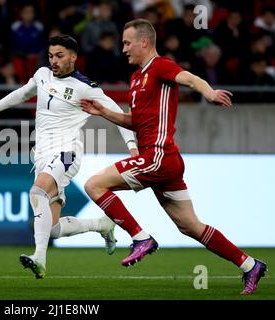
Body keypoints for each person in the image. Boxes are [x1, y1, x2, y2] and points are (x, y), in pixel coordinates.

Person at [80, 19, 267, 295]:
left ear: (144, 42)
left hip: (159, 156)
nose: (123, 49)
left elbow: (191, 78)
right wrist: (103, 113)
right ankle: (249, 265)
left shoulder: (161, 66)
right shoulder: (135, 79)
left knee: (93, 185)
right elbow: (136, 122)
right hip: (162, 161)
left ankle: (140, 238)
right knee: (190, 226)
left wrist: (209, 93)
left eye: (127, 43)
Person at [0, 35, 139, 279]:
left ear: (73, 57)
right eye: (50, 56)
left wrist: (132, 147)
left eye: (59, 56)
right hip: (42, 155)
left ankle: (39, 258)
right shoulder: (42, 74)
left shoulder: (85, 87)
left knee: (37, 193)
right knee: (52, 228)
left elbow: (118, 113)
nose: (53, 61)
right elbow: (22, 94)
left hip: (67, 152)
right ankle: (102, 224)